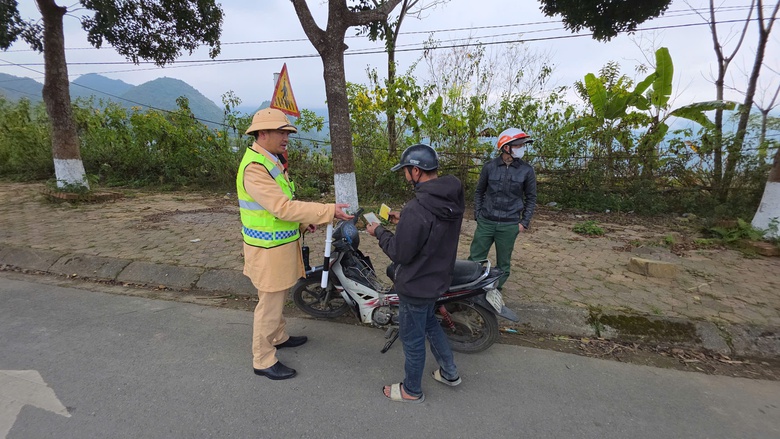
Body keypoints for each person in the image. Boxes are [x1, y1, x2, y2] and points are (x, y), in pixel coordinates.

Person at [237, 107, 353, 380]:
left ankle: (277, 337)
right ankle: (263, 359)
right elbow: (281, 207)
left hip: (278, 248)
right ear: (262, 133)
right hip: (267, 252)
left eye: (287, 131)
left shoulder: (271, 161)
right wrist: (327, 211)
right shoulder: (255, 168)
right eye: (281, 131)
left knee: (276, 299)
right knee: (269, 304)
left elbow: (277, 210)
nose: (286, 136)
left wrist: (302, 223)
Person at [366, 144, 465, 403]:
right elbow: (432, 229)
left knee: (412, 340)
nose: (405, 175)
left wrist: (379, 231)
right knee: (431, 324)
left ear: (416, 170)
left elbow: (401, 254)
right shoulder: (451, 196)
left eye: (406, 171)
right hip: (437, 278)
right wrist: (404, 222)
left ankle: (412, 390)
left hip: (416, 283)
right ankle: (449, 373)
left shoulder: (417, 208)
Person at [469, 127, 537, 290]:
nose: (522, 148)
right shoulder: (489, 167)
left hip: (509, 225)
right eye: (519, 145)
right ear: (506, 147)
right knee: (474, 260)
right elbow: (479, 192)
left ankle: (494, 292)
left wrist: (524, 222)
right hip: (486, 222)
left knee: (503, 265)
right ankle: (469, 293)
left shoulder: (527, 170)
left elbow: (531, 198)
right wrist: (478, 215)